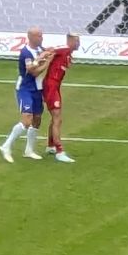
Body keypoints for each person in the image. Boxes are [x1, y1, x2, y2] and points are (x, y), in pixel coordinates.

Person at [0, 27, 46, 162]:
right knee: (27, 120)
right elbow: (34, 71)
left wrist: (44, 57)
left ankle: (29, 150)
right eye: (39, 36)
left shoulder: (40, 50)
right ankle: (6, 146)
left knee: (37, 119)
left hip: (38, 89)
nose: (41, 38)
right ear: (31, 37)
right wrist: (45, 61)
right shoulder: (25, 52)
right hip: (25, 89)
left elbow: (38, 66)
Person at [42, 33, 79, 162]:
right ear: (71, 40)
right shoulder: (64, 49)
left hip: (54, 86)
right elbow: (48, 50)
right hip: (51, 86)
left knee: (55, 117)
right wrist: (38, 60)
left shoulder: (68, 53)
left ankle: (50, 146)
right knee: (57, 118)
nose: (79, 43)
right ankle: (59, 151)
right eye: (77, 41)